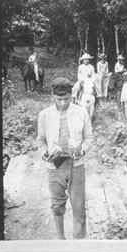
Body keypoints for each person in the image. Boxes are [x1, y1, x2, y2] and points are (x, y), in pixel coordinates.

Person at [37, 77, 94, 240]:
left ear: (72, 95)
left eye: (66, 99)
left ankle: (79, 241)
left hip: (76, 163)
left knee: (79, 206)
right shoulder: (44, 115)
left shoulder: (81, 112)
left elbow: (88, 137)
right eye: (59, 99)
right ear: (52, 96)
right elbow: (40, 140)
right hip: (56, 164)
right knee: (57, 204)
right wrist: (44, 153)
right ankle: (60, 239)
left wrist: (82, 150)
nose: (63, 103)